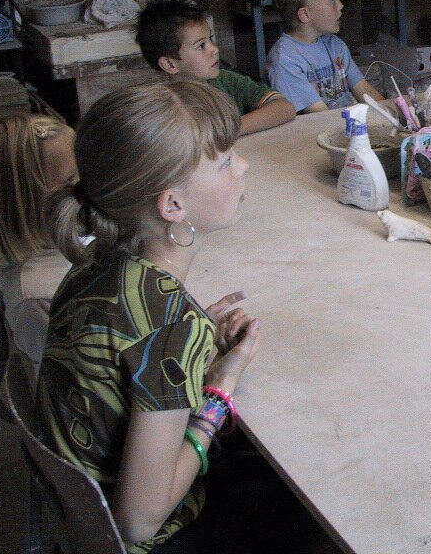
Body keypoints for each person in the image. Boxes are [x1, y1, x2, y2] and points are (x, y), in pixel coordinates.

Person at [37, 81, 274, 552]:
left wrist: (189, 340)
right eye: (226, 161)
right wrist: (219, 391)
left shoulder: (90, 268)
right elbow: (138, 522)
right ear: (172, 205)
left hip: (80, 517)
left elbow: (132, 349)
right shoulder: (171, 327)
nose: (243, 165)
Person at [0, 114, 78, 385]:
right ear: (20, 206)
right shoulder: (38, 297)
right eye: (70, 182)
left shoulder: (65, 238)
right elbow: (80, 386)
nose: (87, 188)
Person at [136, 0, 296, 135]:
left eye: (210, 39)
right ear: (170, 64)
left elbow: (284, 108)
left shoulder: (226, 81)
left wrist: (230, 130)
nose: (215, 49)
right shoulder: (162, 108)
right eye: (201, 45)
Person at [267, 0, 384, 113]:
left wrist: (391, 112)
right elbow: (321, 116)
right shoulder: (285, 60)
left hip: (345, 121)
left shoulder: (335, 44)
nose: (340, 5)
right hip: (324, 126)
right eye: (332, 0)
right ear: (305, 14)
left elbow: (363, 89)